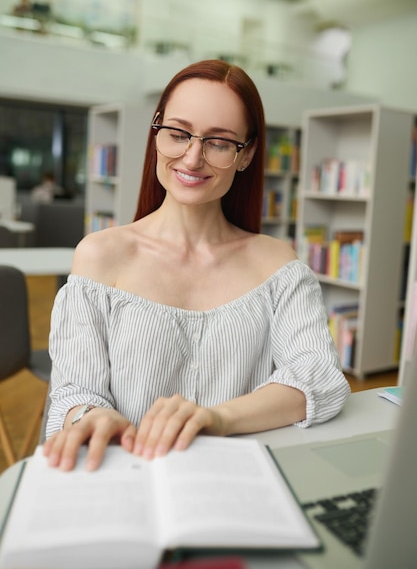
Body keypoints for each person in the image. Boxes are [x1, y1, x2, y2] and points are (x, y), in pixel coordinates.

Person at [43, 59, 350, 472]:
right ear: (156, 134)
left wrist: (217, 419)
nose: (191, 159)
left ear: (247, 154)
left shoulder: (278, 266)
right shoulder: (100, 256)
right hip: (126, 477)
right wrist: (90, 417)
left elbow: (320, 379)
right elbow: (72, 393)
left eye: (219, 143)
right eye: (177, 134)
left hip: (236, 482)